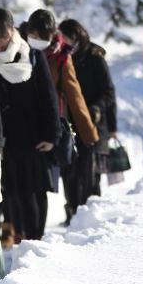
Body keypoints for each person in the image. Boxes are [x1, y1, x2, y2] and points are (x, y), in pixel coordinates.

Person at [0, 8, 59, 242]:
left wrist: (51, 133)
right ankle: (14, 241)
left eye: (2, 36)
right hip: (0, 138)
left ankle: (36, 241)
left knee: (34, 192)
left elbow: (48, 96)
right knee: (9, 193)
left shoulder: (31, 55)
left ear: (12, 30)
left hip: (34, 137)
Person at [25, 9, 99, 224]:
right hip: (22, 120)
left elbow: (74, 96)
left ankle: (41, 227)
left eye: (41, 37)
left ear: (51, 35)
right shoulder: (17, 49)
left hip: (49, 122)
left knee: (44, 179)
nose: (36, 40)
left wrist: (88, 131)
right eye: (33, 35)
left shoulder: (61, 56)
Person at [58, 18, 117, 214]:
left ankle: (91, 211)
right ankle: (72, 209)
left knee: (90, 170)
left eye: (67, 38)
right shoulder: (60, 57)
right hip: (69, 121)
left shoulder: (94, 57)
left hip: (93, 120)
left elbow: (108, 92)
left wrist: (97, 111)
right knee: (69, 169)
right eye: (62, 38)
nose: (64, 42)